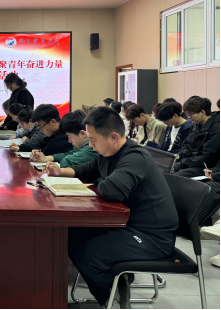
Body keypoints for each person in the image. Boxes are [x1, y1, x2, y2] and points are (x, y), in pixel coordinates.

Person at [44, 107, 178, 308]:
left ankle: (112, 295)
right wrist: (60, 172)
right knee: (70, 235)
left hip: (152, 238)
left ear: (113, 137)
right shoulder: (108, 153)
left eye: (93, 140)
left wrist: (98, 183)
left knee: (88, 253)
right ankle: (114, 287)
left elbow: (111, 190)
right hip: (127, 225)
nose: (90, 145)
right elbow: (87, 170)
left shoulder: (134, 157)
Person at [30, 110, 98, 168]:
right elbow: (68, 154)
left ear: (83, 134)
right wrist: (46, 158)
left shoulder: (92, 148)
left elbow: (66, 162)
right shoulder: (81, 146)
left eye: (69, 136)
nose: (69, 140)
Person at [174, 97, 220, 177]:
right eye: (187, 114)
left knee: (175, 176)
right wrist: (175, 159)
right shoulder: (196, 125)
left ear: (202, 112)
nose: (188, 117)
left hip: (206, 166)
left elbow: (207, 157)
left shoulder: (216, 128)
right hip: (192, 161)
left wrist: (180, 165)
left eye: (190, 114)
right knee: (165, 168)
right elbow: (186, 146)